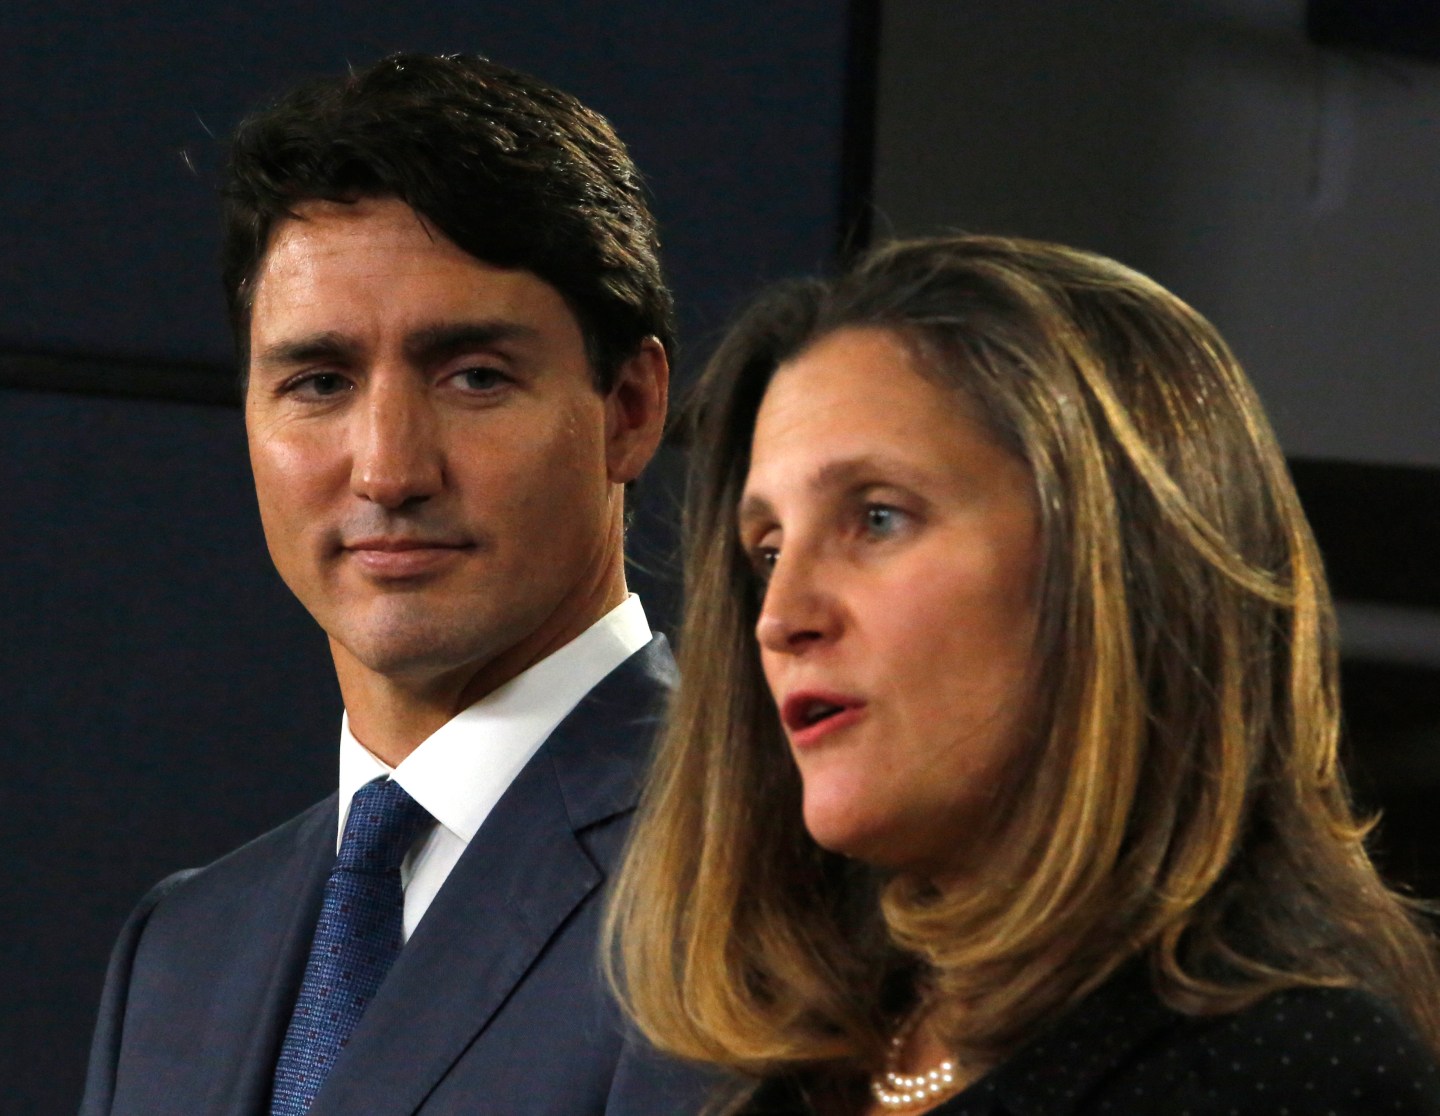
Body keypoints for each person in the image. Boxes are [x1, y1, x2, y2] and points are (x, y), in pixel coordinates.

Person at [605, 235, 1440, 1114]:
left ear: (1115, 565)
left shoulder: (1285, 1077)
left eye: (878, 517)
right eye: (768, 553)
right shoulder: (808, 1071)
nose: (780, 618)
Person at [81, 53, 709, 1116]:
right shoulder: (179, 952)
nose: (386, 470)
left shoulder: (761, 873)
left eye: (474, 377)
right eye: (317, 383)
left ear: (632, 408)